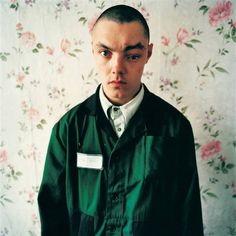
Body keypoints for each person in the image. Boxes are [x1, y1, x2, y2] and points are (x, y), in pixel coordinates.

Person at [38, 4, 204, 236]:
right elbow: (52, 213)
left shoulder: (175, 128)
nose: (117, 68)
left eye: (133, 55)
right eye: (106, 53)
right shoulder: (68, 129)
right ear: (93, 51)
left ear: (148, 53)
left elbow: (188, 217)